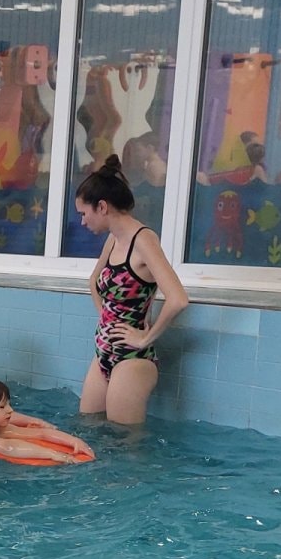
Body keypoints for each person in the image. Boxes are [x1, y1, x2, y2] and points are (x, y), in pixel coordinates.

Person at [76, 155, 189, 426]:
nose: (82, 222)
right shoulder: (114, 239)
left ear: (102, 207)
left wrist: (145, 337)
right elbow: (93, 280)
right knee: (87, 427)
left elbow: (178, 299)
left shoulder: (144, 240)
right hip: (103, 352)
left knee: (123, 440)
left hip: (132, 358)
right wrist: (105, 318)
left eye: (83, 213)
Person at [0, 377, 87, 463]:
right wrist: (52, 454)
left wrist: (74, 441)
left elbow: (41, 433)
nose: (10, 410)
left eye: (9, 404)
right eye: (2, 407)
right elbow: (8, 447)